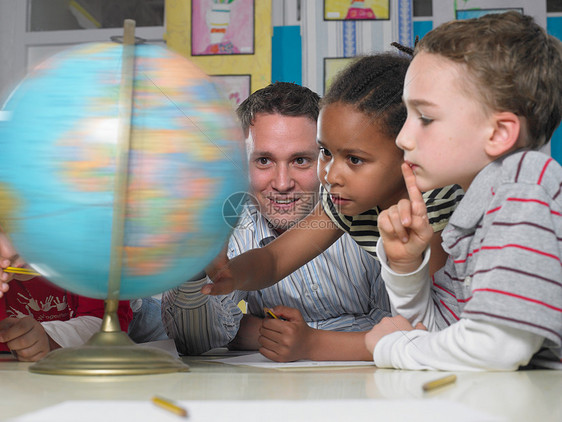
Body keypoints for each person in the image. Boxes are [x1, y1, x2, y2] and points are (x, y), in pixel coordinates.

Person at [201, 54, 463, 349]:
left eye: (354, 159)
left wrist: (313, 344)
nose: (329, 174)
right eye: (325, 152)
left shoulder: (434, 207)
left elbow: (432, 336)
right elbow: (274, 261)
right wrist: (232, 273)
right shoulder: (347, 202)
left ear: (405, 150)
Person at [364, 11, 562, 371]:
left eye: (424, 117)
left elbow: (495, 348)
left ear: (499, 133)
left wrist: (395, 347)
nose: (402, 137)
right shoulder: (479, 209)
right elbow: (446, 332)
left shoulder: (524, 184)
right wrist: (408, 269)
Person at [162, 81, 391, 362]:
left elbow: (401, 328)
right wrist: (194, 270)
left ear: (326, 158)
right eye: (264, 161)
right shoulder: (230, 220)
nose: (282, 184)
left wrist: (255, 332)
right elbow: (195, 342)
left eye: (300, 160)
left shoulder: (362, 207)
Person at [0, 231, 132, 361]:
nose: (10, 251)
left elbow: (107, 325)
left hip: (137, 321)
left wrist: (48, 339)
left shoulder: (88, 254)